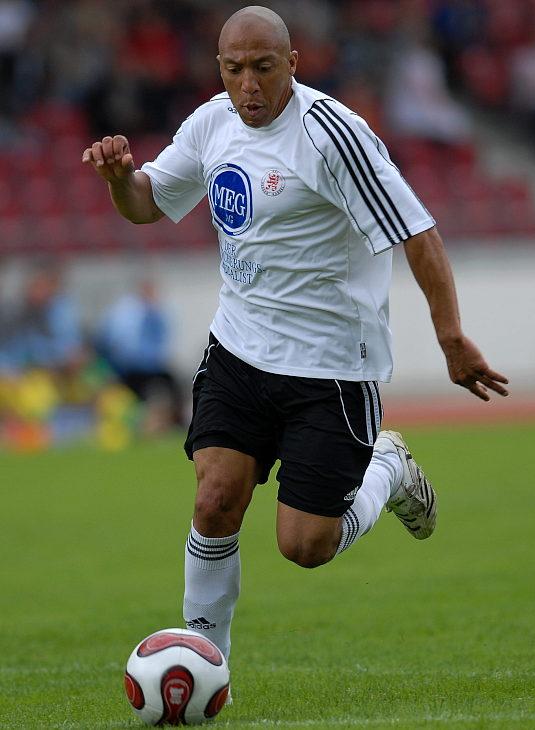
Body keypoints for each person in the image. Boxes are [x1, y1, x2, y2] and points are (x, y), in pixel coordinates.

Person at [82, 5, 508, 672]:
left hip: (331, 367)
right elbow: (146, 203)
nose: (248, 85)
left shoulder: (333, 135)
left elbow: (417, 231)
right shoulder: (211, 122)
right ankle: (207, 665)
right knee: (214, 500)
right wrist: (118, 181)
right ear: (219, 67)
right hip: (239, 350)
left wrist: (450, 336)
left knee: (305, 545)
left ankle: (387, 467)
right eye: (234, 69)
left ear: (292, 63)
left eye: (263, 68)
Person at [96, 278, 183, 429]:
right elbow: (117, 342)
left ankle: (176, 421)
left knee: (174, 387)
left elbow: (164, 341)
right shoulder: (125, 311)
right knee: (134, 394)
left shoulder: (159, 312)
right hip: (129, 367)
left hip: (153, 366)